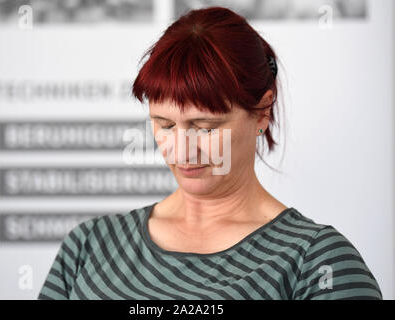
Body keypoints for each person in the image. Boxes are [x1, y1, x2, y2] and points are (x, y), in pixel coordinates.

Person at [38, 6, 382, 300]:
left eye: (205, 127)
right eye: (165, 125)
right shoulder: (89, 245)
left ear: (262, 112)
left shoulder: (316, 260)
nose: (182, 150)